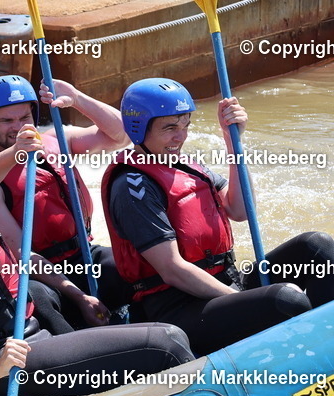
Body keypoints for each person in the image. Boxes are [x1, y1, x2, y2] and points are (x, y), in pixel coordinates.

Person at [0, 136, 195, 396]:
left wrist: (19, 149)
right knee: (164, 344)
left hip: (29, 338)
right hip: (0, 368)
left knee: (173, 335)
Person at [103, 78, 334, 356]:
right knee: (285, 300)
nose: (181, 136)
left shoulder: (189, 166)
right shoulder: (133, 188)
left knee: (317, 247)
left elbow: (239, 209)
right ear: (139, 129)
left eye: (185, 125)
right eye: (170, 128)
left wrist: (233, 139)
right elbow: (172, 269)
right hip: (178, 307)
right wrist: (245, 301)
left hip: (225, 280)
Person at [0, 75, 132, 327]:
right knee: (40, 299)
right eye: (6, 121)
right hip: (39, 274)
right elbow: (22, 255)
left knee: (134, 264)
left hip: (83, 255)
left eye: (24, 117)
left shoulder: (57, 140)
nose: (18, 127)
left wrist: (77, 99)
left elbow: (122, 135)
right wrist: (78, 296)